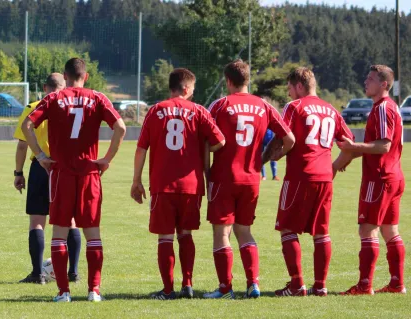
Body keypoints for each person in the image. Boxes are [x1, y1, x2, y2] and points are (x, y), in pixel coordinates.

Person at [21, 58, 126, 302]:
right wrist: (107, 159)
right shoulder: (98, 98)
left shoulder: (53, 98)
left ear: (65, 76)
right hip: (90, 174)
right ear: (86, 76)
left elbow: (28, 125)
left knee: (59, 234)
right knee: (93, 235)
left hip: (61, 174)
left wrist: (40, 155)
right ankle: (94, 291)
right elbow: (120, 127)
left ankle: (64, 292)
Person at [131, 68, 225, 300]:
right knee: (185, 235)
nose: (194, 92)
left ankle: (167, 289)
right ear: (185, 88)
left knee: (165, 237)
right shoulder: (199, 111)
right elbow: (220, 141)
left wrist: (136, 180)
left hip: (163, 185)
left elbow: (141, 148)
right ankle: (188, 284)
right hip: (191, 186)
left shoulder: (155, 111)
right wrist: (201, 148)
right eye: (192, 88)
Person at [204, 60, 295, 299]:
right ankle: (253, 284)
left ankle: (225, 288)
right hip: (252, 178)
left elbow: (204, 140)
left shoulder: (220, 105)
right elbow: (290, 140)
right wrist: (264, 159)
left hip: (224, 177)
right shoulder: (264, 106)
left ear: (228, 81)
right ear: (248, 80)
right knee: (244, 230)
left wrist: (206, 172)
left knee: (222, 233)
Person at [263, 67, 353, 297]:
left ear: (299, 86)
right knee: (321, 232)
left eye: (290, 88)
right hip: (324, 177)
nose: (289, 94)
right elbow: (349, 143)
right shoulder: (331, 109)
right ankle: (320, 286)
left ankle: (297, 285)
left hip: (300, 175)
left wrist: (261, 160)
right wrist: (334, 166)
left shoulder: (294, 107)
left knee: (287, 229)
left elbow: (281, 136)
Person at [334, 65, 406, 295]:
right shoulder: (386, 107)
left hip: (380, 177)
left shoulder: (383, 108)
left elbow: (383, 146)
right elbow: (372, 146)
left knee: (367, 230)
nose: (366, 82)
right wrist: (343, 160)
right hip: (393, 176)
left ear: (384, 84)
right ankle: (397, 283)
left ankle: (365, 285)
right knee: (390, 230)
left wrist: (353, 147)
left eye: (371, 79)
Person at [14, 73, 82, 285]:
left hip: (40, 166)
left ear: (45, 87)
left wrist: (18, 173)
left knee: (37, 221)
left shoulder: (33, 107)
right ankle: (73, 272)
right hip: (66, 168)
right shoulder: (71, 108)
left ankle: (37, 274)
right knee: (70, 220)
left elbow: (22, 144)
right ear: (64, 86)